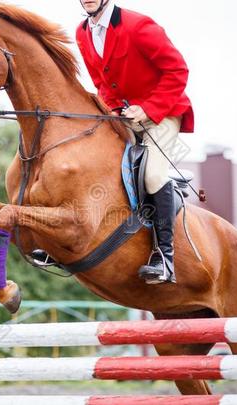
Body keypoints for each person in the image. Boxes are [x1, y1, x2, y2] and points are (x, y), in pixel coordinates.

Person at [76, 0, 194, 283]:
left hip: (163, 113)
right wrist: (113, 111)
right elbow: (102, 84)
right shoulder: (83, 33)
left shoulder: (139, 26)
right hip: (124, 117)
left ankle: (165, 258)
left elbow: (178, 71)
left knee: (153, 175)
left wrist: (148, 109)